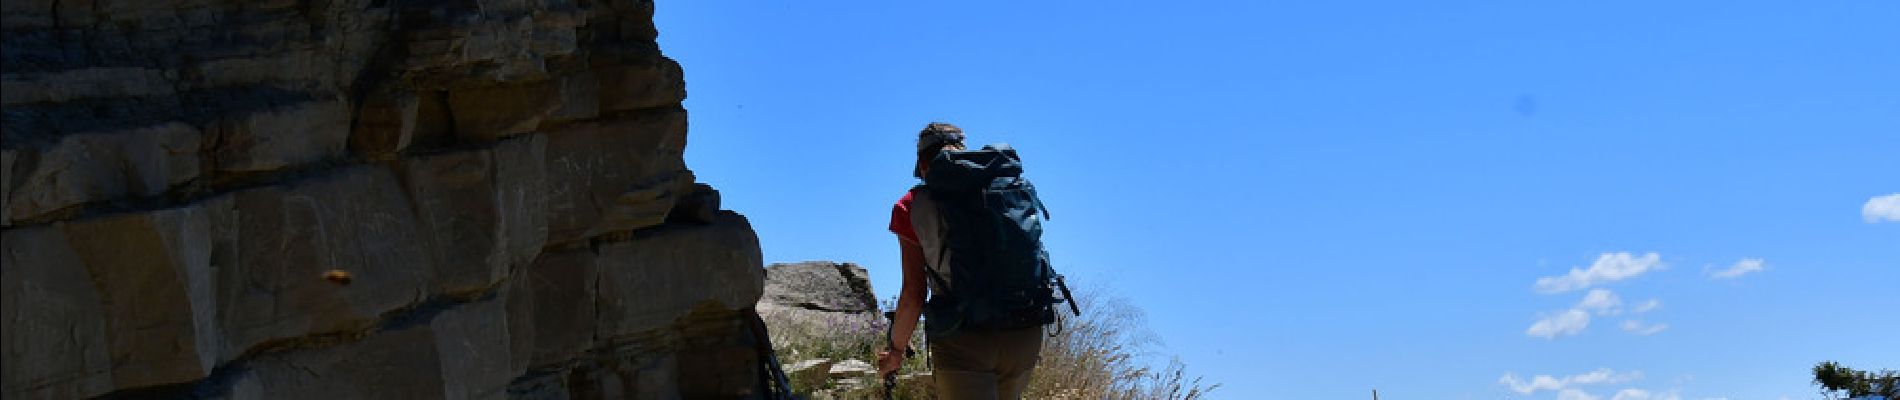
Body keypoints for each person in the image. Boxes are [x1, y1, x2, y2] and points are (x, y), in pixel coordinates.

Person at [877, 122, 1048, 399]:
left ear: (922, 162)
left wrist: (896, 352)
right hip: (1024, 331)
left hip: (963, 338)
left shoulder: (911, 205)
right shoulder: (1002, 187)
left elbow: (913, 293)